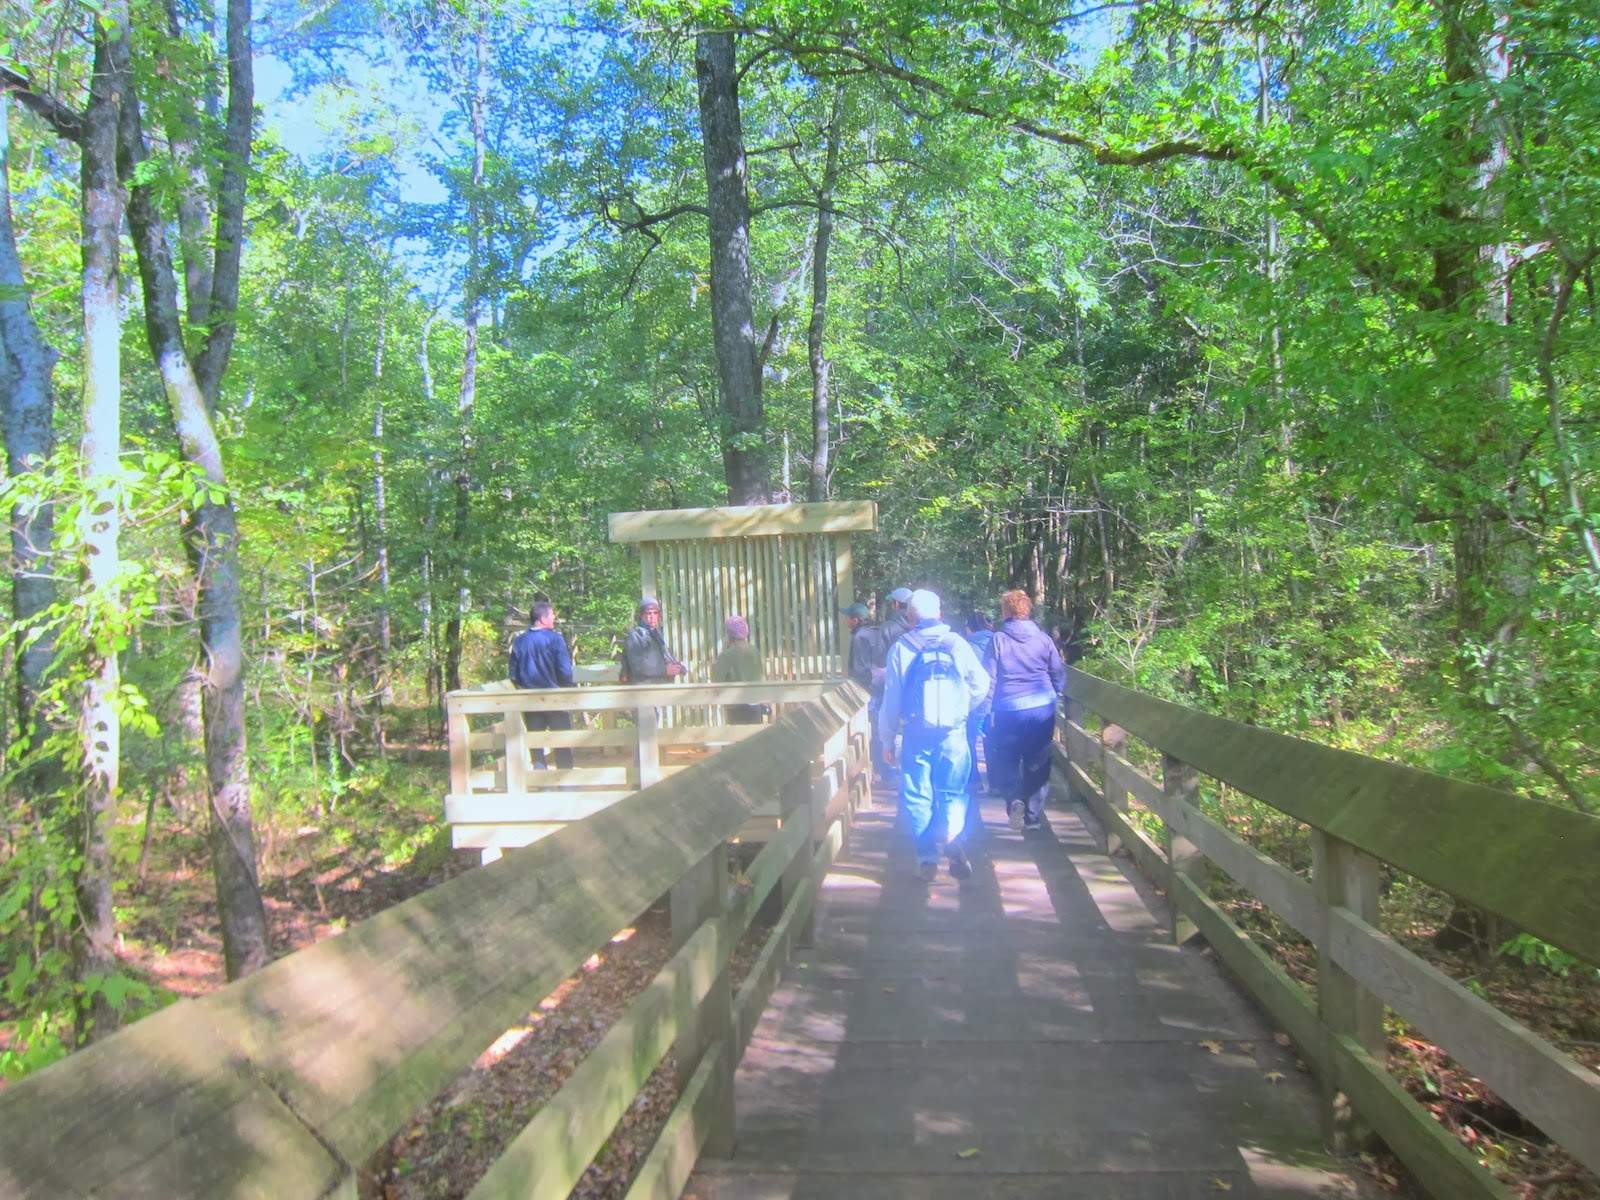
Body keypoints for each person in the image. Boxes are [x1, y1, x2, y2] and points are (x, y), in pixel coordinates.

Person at [879, 588, 990, 883]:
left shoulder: (902, 648)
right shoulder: (957, 643)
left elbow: (892, 699)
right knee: (952, 791)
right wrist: (963, 708)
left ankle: (926, 857)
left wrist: (887, 739)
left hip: (916, 731)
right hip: (953, 732)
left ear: (910, 616)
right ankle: (951, 836)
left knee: (918, 794)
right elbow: (981, 683)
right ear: (939, 613)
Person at [986, 589, 1066, 832]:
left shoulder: (997, 639)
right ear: (1027, 609)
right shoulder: (1043, 639)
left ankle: (1014, 800)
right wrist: (1057, 693)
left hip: (1008, 708)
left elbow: (989, 678)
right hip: (1041, 708)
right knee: (1038, 760)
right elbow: (1058, 671)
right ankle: (1032, 816)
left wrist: (986, 709)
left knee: (1007, 757)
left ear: (1005, 611)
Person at [508, 599, 576, 769]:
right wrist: (567, 688)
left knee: (536, 746)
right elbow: (565, 672)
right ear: (543, 619)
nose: (554, 618)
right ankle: (565, 781)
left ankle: (541, 783)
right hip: (555, 699)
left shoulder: (520, 641)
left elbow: (513, 674)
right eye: (552, 615)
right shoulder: (555, 639)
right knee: (562, 743)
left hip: (529, 701)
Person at [869, 586, 915, 777]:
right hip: (915, 687)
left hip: (892, 684)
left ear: (896, 604)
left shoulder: (887, 628)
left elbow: (879, 661)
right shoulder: (917, 627)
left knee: (888, 724)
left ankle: (889, 771)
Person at [962, 610, 996, 803]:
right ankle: (996, 782)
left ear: (969, 628)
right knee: (993, 740)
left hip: (974, 701)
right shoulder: (999, 641)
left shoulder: (966, 647)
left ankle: (974, 780)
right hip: (997, 700)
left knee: (969, 740)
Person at [712, 614, 766, 724]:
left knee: (738, 738)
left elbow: (716, 682)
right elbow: (760, 675)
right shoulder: (754, 651)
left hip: (736, 706)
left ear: (729, 634)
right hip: (755, 704)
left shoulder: (726, 655)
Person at [618, 596, 685, 684]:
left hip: (660, 687)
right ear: (641, 615)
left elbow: (665, 658)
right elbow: (638, 667)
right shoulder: (635, 636)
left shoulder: (657, 636)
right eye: (648, 613)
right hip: (643, 690)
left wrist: (677, 666)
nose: (652, 616)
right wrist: (665, 670)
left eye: (655, 613)